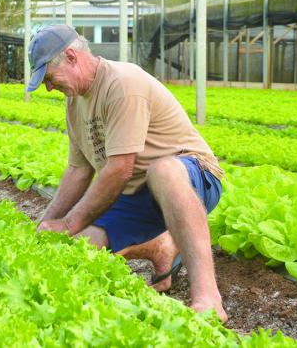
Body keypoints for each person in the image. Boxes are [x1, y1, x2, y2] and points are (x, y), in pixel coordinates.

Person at [27, 24, 227, 323]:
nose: (49, 88)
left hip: (192, 177)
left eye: (49, 78)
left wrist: (68, 222)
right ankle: (159, 246)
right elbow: (78, 171)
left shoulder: (122, 82)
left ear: (71, 57)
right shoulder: (74, 102)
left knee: (163, 169)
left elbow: (120, 169)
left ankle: (208, 297)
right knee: (78, 246)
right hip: (137, 193)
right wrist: (46, 226)